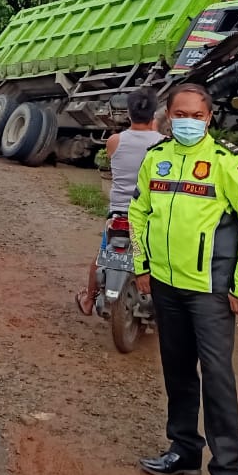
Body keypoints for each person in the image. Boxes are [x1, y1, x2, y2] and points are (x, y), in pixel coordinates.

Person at [128, 83, 238, 475]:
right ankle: (184, 450)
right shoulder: (157, 158)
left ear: (208, 119)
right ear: (167, 116)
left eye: (197, 115)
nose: (188, 121)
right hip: (166, 285)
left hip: (210, 290)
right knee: (177, 370)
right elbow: (138, 211)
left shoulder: (230, 161)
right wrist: (141, 265)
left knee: (217, 378)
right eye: (180, 114)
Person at [75, 88, 164, 315]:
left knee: (103, 254)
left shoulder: (115, 141)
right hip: (151, 214)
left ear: (129, 113)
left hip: (119, 213)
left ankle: (88, 299)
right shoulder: (165, 144)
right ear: (154, 113)